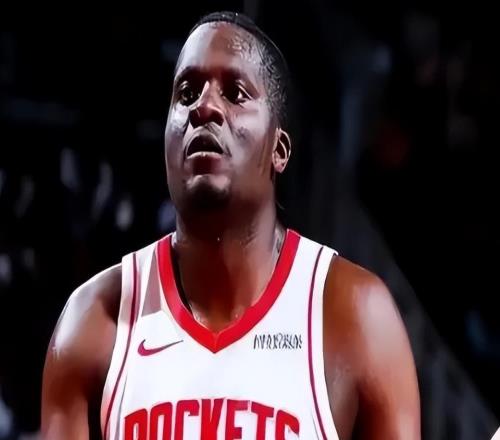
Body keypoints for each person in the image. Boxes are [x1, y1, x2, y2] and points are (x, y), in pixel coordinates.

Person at [41, 11, 420, 439]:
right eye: (186, 93)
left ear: (279, 149)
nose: (204, 107)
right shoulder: (93, 321)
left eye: (236, 93)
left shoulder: (356, 315)